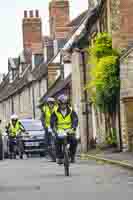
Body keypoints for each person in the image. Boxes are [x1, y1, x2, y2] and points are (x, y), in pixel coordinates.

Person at [51, 94, 79, 164]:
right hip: (59, 130)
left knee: (74, 140)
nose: (63, 106)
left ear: (67, 104)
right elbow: (53, 122)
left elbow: (75, 119)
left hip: (69, 129)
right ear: (59, 104)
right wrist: (55, 130)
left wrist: (74, 127)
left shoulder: (71, 111)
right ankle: (59, 157)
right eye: (61, 104)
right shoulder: (55, 112)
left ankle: (72, 156)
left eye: (64, 104)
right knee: (56, 141)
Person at [41, 97, 57, 161]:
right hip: (48, 127)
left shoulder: (57, 109)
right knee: (47, 143)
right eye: (49, 103)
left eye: (52, 103)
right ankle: (52, 157)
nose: (51, 105)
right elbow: (42, 118)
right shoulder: (45, 109)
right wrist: (45, 126)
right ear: (47, 104)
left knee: (57, 140)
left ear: (53, 103)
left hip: (55, 127)